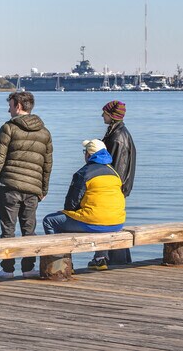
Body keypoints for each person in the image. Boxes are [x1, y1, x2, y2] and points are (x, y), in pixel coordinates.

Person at [0, 91, 53, 279]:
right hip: (33, 189)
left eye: (10, 106)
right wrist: (43, 189)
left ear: (18, 106)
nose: (8, 110)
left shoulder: (8, 128)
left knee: (8, 230)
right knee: (29, 229)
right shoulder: (44, 132)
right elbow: (47, 163)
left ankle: (8, 270)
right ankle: (28, 268)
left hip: (9, 186)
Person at [42, 139, 126, 271]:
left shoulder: (84, 173)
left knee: (50, 221)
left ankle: (61, 265)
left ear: (89, 154)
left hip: (94, 222)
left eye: (84, 152)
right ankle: (100, 259)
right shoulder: (114, 173)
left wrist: (67, 212)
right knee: (100, 216)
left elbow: (71, 203)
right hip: (117, 222)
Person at [101, 100, 136, 264]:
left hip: (115, 189)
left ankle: (114, 260)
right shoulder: (117, 132)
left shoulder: (117, 137)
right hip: (119, 188)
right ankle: (117, 259)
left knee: (110, 223)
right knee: (113, 224)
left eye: (105, 113)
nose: (102, 115)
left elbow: (117, 167)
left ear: (112, 115)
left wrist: (110, 187)